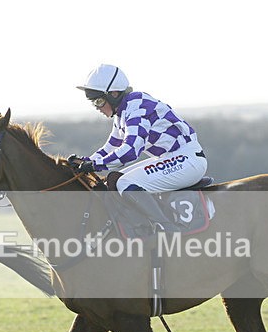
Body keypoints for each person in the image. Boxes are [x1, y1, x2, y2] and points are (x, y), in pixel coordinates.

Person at [71, 64, 206, 229]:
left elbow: (130, 151)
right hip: (172, 158)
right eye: (93, 103)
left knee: (124, 183)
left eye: (99, 101)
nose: (97, 108)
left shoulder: (137, 107)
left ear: (114, 94)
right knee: (114, 180)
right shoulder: (123, 112)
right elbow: (111, 147)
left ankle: (167, 229)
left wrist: (95, 164)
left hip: (188, 160)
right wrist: (85, 161)